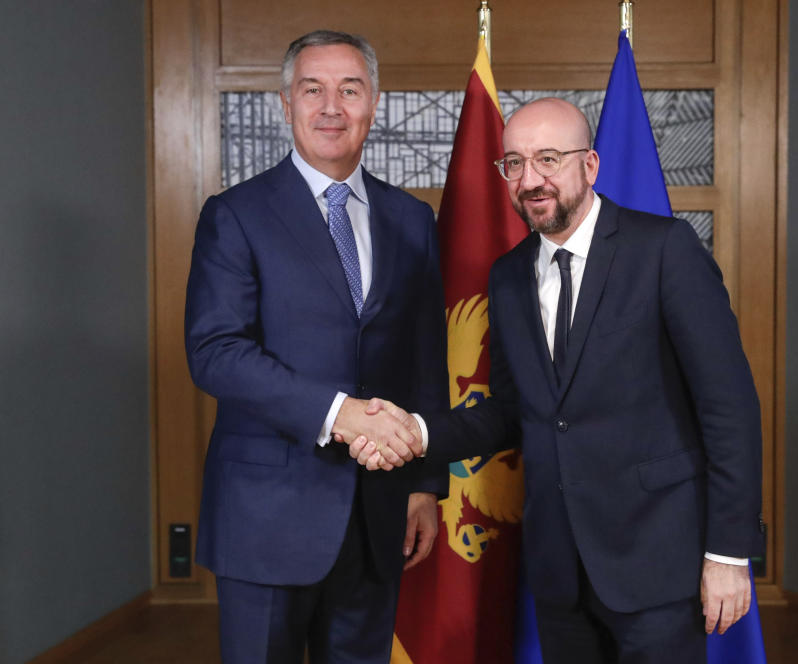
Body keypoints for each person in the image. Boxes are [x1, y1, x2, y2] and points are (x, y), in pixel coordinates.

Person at [346, 98, 764, 664]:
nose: (530, 178)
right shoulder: (510, 276)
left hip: (658, 562)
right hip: (559, 569)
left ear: (589, 166)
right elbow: (512, 411)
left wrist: (729, 553)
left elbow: (729, 408)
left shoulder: (664, 250)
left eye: (548, 158)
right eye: (514, 163)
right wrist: (417, 433)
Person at [184, 30, 448, 664]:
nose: (332, 106)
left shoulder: (411, 219)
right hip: (265, 517)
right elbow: (215, 350)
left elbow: (424, 360)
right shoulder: (236, 214)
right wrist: (338, 413)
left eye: (349, 90)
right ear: (286, 104)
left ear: (373, 104)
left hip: (378, 511)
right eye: (313, 89)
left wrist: (423, 486)